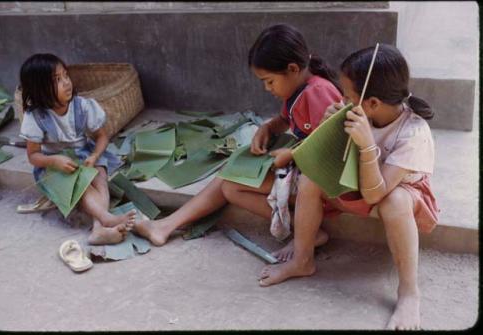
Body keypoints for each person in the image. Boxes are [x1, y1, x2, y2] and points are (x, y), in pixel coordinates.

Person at [258, 44, 439, 330]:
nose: (342, 100)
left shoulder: (414, 134)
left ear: (373, 104)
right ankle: (302, 259)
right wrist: (330, 123)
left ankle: (409, 293)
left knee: (396, 201)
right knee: (311, 176)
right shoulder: (362, 111)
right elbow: (334, 157)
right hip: (362, 180)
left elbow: (375, 194)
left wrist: (367, 146)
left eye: (347, 96)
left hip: (390, 191)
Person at [134, 24, 342, 253]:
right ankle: (164, 226)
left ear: (292, 68)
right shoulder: (299, 88)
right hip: (301, 169)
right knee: (231, 182)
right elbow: (284, 119)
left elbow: (331, 148)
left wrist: (290, 154)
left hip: (319, 186)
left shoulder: (318, 92)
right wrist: (268, 128)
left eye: (269, 81)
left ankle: (165, 226)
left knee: (232, 181)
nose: (266, 88)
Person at [19, 53, 136, 245]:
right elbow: (33, 156)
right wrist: (54, 161)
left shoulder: (82, 106)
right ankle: (106, 219)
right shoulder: (35, 117)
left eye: (66, 75)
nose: (66, 82)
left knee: (98, 174)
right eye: (57, 79)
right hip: (55, 166)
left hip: (84, 154)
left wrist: (95, 155)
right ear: (39, 89)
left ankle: (99, 228)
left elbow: (102, 136)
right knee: (80, 186)